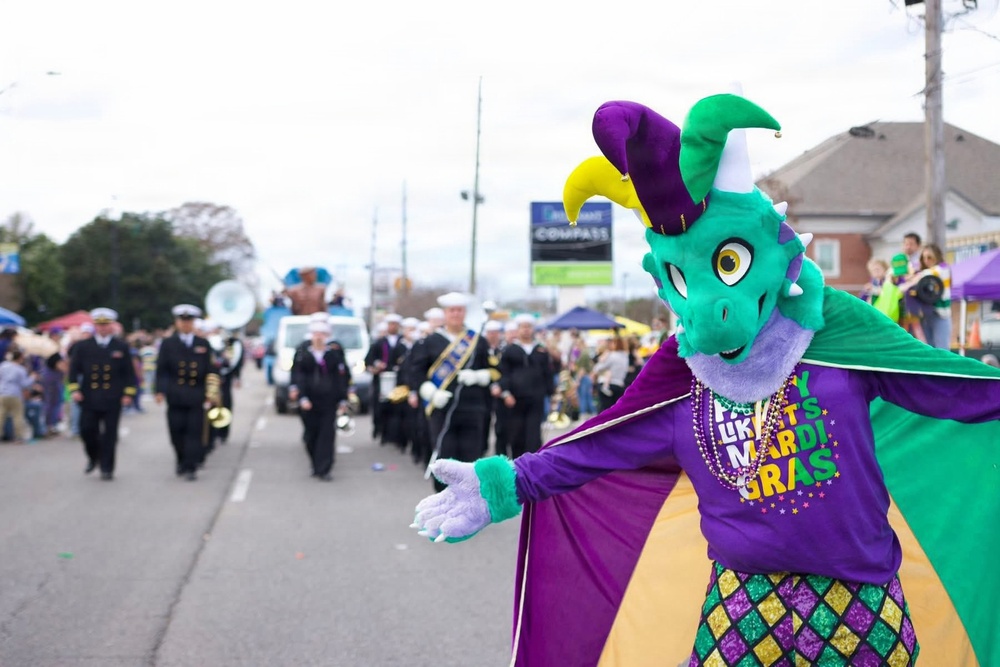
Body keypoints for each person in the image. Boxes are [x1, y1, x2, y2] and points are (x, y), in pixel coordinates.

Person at [411, 93, 1000, 665]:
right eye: (685, 282)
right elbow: (602, 440)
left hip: (859, 600)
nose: (706, 310)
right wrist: (504, 484)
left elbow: (954, 385)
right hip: (742, 601)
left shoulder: (837, 333)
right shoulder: (683, 367)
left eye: (728, 264)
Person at [405, 292, 492, 491]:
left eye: (459, 310)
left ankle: (469, 504)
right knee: (445, 456)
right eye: (452, 310)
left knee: (471, 458)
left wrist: (479, 376)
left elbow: (495, 371)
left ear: (464, 313)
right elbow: (416, 373)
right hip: (441, 409)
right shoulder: (430, 342)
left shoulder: (477, 340)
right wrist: (432, 393)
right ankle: (443, 501)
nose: (456, 314)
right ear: (445, 313)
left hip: (473, 408)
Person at [67, 308, 137, 480]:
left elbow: (129, 372)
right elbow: (74, 370)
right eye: (100, 324)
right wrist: (75, 389)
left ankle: (107, 467)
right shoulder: (83, 346)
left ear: (111, 326)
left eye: (106, 324)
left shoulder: (120, 347)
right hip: (89, 396)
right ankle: (93, 456)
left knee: (110, 434)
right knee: (87, 430)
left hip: (112, 396)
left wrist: (128, 393)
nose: (103, 328)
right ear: (95, 326)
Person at [288, 319, 353, 481]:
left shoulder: (333, 355)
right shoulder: (303, 354)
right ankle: (315, 464)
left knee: (327, 435)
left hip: (328, 402)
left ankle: (324, 468)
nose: (318, 337)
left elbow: (340, 378)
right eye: (316, 334)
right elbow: (298, 376)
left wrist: (343, 399)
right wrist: (301, 396)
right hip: (309, 402)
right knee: (311, 435)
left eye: (322, 334)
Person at [155, 304, 214, 481]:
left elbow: (211, 371)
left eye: (189, 321)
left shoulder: (203, 344)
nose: (186, 324)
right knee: (176, 432)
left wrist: (211, 393)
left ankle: (191, 466)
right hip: (175, 395)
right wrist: (159, 391)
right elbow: (161, 370)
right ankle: (181, 459)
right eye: (183, 321)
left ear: (193, 323)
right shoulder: (168, 344)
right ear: (177, 322)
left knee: (194, 433)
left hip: (196, 395)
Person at [498, 314, 555, 458]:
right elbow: (503, 373)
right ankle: (517, 465)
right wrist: (506, 393)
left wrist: (551, 393)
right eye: (523, 327)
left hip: (536, 398)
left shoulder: (541, 350)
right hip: (515, 399)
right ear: (518, 329)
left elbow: (548, 373)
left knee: (534, 434)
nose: (526, 330)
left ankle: (534, 465)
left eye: (529, 327)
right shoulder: (510, 350)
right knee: (516, 434)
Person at [900, 243, 952, 350]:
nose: (926, 261)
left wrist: (913, 277)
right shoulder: (922, 272)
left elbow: (933, 272)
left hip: (941, 314)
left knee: (942, 348)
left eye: (930, 257)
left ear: (936, 256)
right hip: (926, 314)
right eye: (924, 258)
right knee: (928, 347)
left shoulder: (943, 269)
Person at [364, 313, 402, 444]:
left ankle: (395, 435)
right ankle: (381, 432)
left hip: (398, 380)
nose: (393, 326)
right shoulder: (379, 343)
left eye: (395, 324)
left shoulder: (402, 341)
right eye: (390, 324)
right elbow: (369, 360)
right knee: (380, 407)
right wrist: (376, 365)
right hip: (381, 379)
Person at [0, 348, 36, 444]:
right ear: (20, 358)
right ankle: (18, 437)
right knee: (17, 416)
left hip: (2, 393)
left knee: (1, 415)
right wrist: (32, 378)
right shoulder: (20, 370)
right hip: (15, 394)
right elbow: (24, 384)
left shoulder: (3, 366)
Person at [590, 334, 629, 412]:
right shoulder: (625, 356)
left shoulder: (612, 355)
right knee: (616, 411)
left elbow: (597, 368)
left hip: (607, 384)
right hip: (619, 384)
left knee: (605, 410)